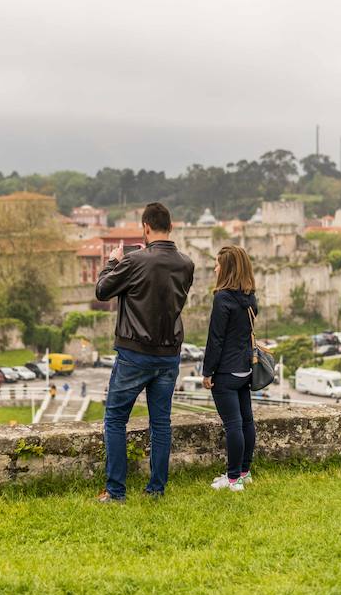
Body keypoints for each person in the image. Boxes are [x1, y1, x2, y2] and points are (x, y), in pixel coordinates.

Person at [94, 202, 194, 502]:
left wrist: (114, 263)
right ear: (171, 226)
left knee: (115, 419)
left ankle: (115, 491)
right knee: (161, 422)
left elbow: (102, 290)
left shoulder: (134, 261)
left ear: (145, 228)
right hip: (169, 352)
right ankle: (156, 489)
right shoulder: (186, 264)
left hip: (135, 350)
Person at [202, 245, 258, 493]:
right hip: (245, 369)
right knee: (247, 421)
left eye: (217, 264)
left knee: (233, 424)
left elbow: (216, 340)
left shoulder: (222, 298)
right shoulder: (250, 297)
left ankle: (233, 478)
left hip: (226, 371)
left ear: (226, 269)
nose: (215, 268)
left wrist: (207, 372)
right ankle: (244, 472)